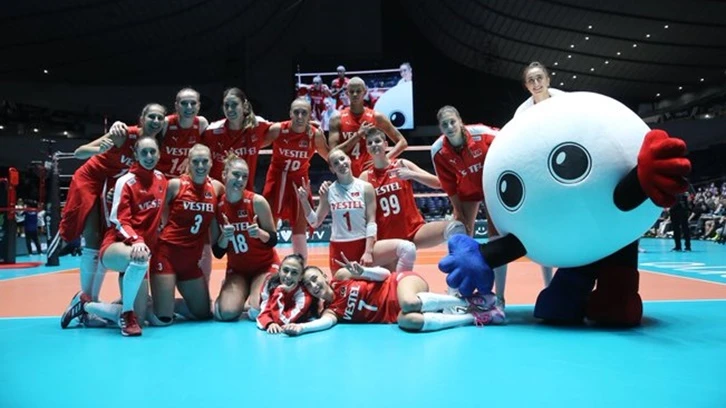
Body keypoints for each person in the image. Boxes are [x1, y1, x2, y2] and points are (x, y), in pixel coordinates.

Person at [56, 103, 165, 329]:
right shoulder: (123, 133)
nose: (156, 121)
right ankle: (88, 300)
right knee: (93, 239)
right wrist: (100, 149)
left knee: (103, 239)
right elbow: (79, 152)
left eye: (160, 118)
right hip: (90, 180)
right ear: (142, 118)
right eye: (151, 117)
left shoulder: (154, 145)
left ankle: (94, 304)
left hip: (110, 185)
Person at [282, 257, 504, 336]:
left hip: (399, 284)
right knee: (408, 321)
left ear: (323, 276)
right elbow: (322, 324)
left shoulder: (341, 277)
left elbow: (385, 274)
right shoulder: (331, 312)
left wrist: (365, 271)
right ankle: (473, 317)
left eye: (315, 279)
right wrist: (301, 328)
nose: (314, 285)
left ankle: (468, 301)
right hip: (394, 314)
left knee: (409, 303)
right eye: (308, 285)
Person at [430, 105, 509, 307]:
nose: (450, 127)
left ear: (460, 121)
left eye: (452, 122)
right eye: (445, 124)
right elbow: (448, 185)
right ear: (440, 128)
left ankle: (500, 297)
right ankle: (455, 293)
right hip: (466, 191)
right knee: (459, 232)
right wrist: (458, 211)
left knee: (496, 237)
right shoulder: (438, 151)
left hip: (491, 188)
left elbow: (509, 141)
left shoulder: (482, 134)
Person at [295, 148, 417, 274]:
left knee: (407, 248)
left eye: (342, 159)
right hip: (339, 247)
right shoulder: (328, 191)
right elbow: (314, 222)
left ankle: (401, 281)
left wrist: (368, 251)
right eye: (336, 163)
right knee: (342, 284)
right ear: (332, 169)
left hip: (362, 244)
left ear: (348, 160)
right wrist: (304, 201)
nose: (341, 163)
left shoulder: (366, 187)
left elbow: (371, 221)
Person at [148, 144, 224, 326]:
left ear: (211, 162)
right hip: (167, 255)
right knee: (163, 319)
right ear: (188, 163)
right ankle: (133, 305)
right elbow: (151, 206)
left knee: (203, 314)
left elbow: (235, 200)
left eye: (204, 161)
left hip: (190, 261)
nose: (200, 166)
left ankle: (160, 302)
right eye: (195, 161)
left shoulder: (216, 188)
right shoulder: (175, 185)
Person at [359, 128, 466, 247]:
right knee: (402, 255)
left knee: (456, 227)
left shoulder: (401, 164)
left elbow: (438, 183)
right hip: (386, 240)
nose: (374, 145)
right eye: (370, 143)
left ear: (385, 144)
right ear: (367, 149)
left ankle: (458, 258)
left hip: (414, 231)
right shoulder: (365, 177)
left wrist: (412, 175)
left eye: (377, 141)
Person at [512, 61, 565, 291]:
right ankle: (549, 286)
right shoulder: (521, 114)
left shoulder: (567, 102)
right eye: (531, 80)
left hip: (567, 168)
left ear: (548, 80)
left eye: (539, 78)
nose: (536, 83)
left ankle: (572, 282)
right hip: (539, 175)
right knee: (545, 228)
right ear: (526, 85)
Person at [212, 153, 279, 321]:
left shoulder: (257, 202)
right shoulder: (217, 207)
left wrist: (260, 233)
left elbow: (273, 239)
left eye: (244, 176)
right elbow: (218, 252)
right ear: (224, 174)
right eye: (236, 174)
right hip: (238, 270)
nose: (240, 180)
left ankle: (254, 292)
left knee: (256, 311)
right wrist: (224, 237)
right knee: (227, 313)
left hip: (264, 266)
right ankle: (231, 290)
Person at [261, 98, 329, 261]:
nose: (299, 116)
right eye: (296, 112)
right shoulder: (278, 130)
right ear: (290, 113)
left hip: (299, 182)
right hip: (276, 180)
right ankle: (265, 263)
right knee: (268, 225)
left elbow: (329, 157)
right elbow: (255, 146)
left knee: (299, 227)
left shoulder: (315, 135)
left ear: (309, 115)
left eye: (304, 113)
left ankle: (301, 266)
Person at [328, 77, 408, 177]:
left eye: (358, 91)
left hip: (372, 173)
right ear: (347, 93)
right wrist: (358, 135)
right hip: (347, 174)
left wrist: (385, 158)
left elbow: (402, 142)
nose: (355, 94)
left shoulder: (376, 117)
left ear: (365, 92)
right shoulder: (337, 118)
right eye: (352, 91)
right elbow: (333, 153)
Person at [203, 88, 273, 190]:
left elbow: (279, 131)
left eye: (234, 104)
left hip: (245, 192)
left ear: (244, 105)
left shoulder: (258, 125)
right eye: (226, 105)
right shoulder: (212, 131)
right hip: (218, 193)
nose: (230, 109)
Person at [255, 253, 317, 334]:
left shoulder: (304, 296)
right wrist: (269, 323)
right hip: (278, 311)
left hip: (295, 316)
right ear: (279, 271)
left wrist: (279, 291)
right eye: (285, 270)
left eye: (294, 273)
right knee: (254, 310)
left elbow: (282, 321)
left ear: (300, 277)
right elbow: (264, 311)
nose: (288, 276)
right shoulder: (270, 283)